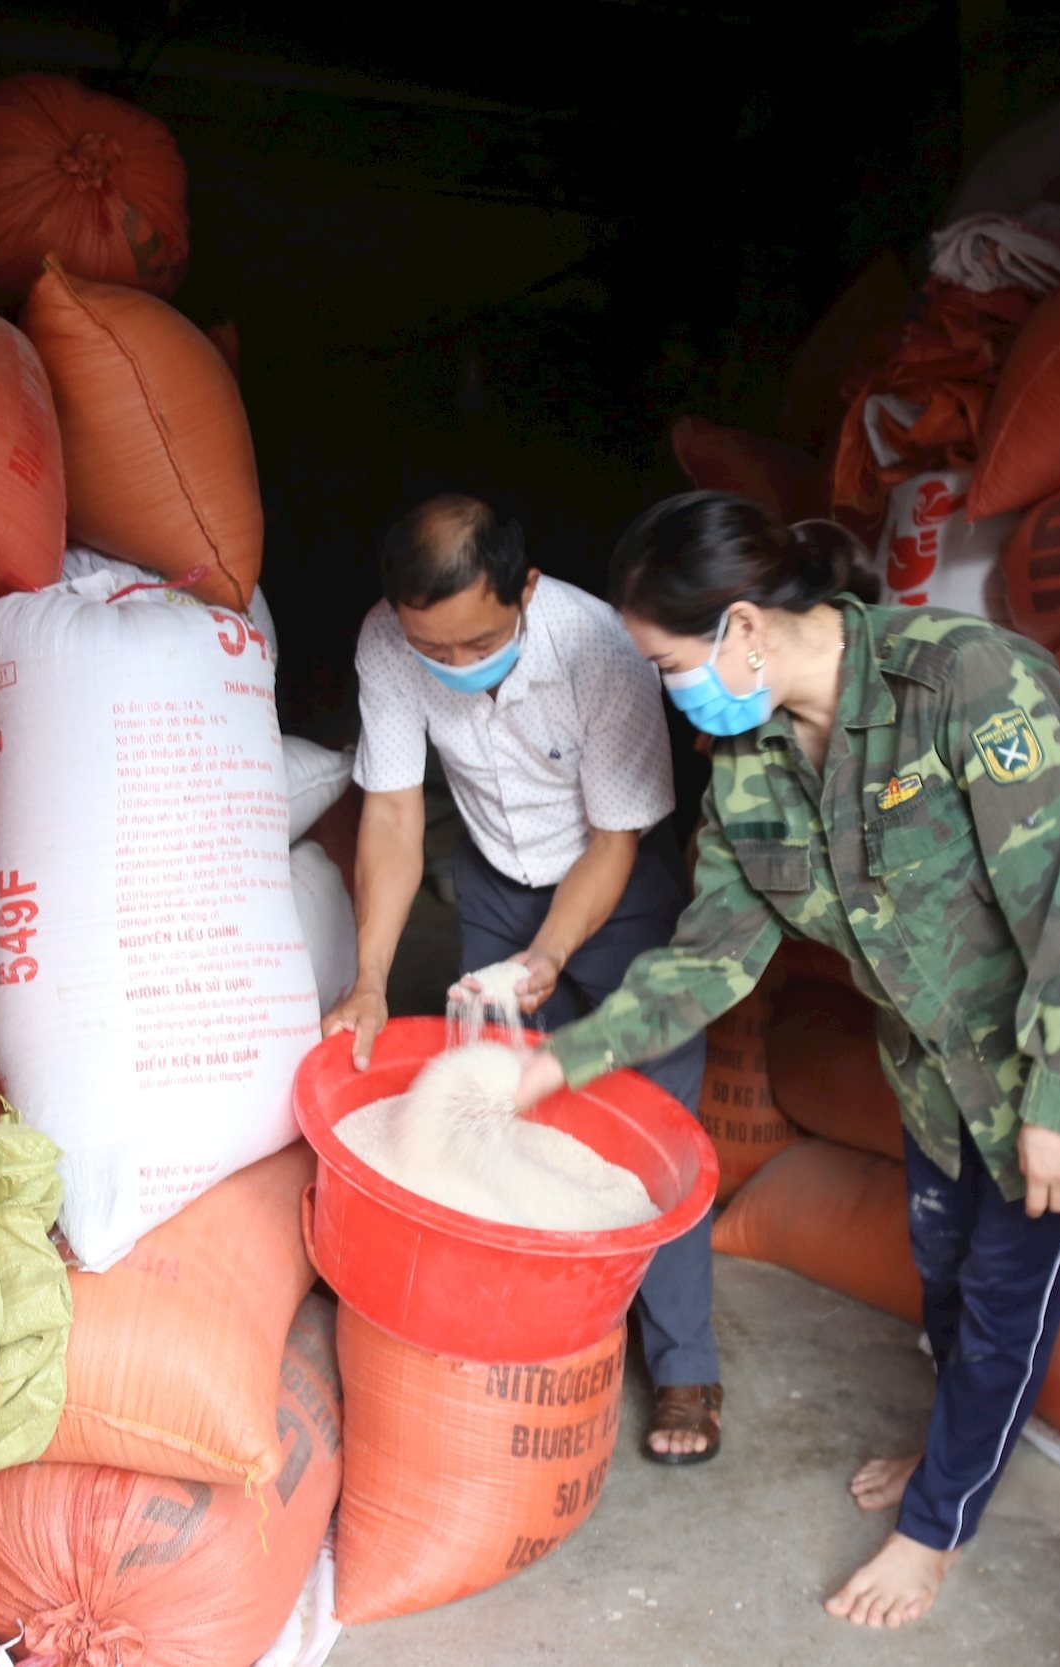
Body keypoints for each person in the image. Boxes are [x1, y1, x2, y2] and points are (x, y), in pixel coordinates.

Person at [512, 492, 1060, 1626]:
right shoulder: (744, 760)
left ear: (742, 626)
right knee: (939, 1278)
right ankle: (951, 1446)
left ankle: (936, 1528)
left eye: (668, 660)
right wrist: (564, 1059)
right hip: (935, 1073)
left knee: (1001, 1308)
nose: (670, 689)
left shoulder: (967, 679)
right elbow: (710, 956)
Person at [320, 493, 725, 1463]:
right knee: (496, 1106)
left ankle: (683, 1367)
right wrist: (370, 976)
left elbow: (617, 835)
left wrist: (549, 955)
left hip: (616, 883)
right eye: (435, 649)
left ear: (526, 588)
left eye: (478, 643)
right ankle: (516, 1327)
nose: (456, 666)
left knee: (646, 1130)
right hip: (495, 879)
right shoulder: (389, 641)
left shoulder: (601, 647)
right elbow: (390, 812)